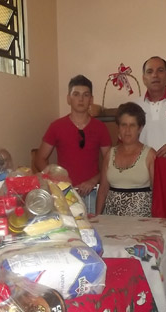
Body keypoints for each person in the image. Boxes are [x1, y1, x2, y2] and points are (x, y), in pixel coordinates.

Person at [35, 75, 111, 213]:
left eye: (85, 95)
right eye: (76, 94)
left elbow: (110, 162)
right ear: (68, 99)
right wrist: (55, 180)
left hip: (92, 192)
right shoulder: (56, 126)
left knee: (93, 226)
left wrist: (94, 180)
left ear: (91, 99)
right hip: (64, 193)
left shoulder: (100, 128)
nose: (81, 99)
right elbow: (40, 158)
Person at [96, 102, 156, 217]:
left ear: (140, 128)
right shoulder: (110, 154)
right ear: (118, 127)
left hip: (141, 221)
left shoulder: (150, 155)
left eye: (132, 125)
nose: (127, 130)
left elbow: (157, 193)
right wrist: (97, 217)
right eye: (123, 125)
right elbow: (103, 190)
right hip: (112, 219)